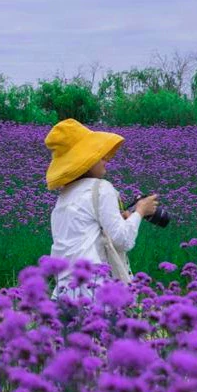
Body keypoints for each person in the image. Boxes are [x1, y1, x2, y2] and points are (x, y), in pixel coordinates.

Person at [44, 118, 159, 299]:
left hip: (63, 292)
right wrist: (140, 211)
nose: (105, 159)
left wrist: (123, 219)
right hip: (93, 292)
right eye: (98, 154)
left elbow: (84, 236)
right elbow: (123, 240)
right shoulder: (101, 188)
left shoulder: (64, 197)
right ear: (86, 160)